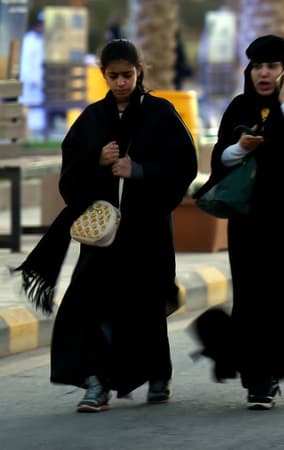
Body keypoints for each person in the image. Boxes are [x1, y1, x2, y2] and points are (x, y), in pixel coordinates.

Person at [13, 38, 198, 412]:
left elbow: (184, 166)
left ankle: (157, 372)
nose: (121, 83)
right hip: (103, 234)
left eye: (127, 75)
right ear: (104, 76)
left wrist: (139, 170)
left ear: (139, 71)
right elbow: (70, 176)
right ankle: (95, 383)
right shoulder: (93, 119)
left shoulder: (161, 113)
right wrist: (96, 160)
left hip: (147, 232)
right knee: (87, 305)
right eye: (113, 76)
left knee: (144, 306)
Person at [191, 35, 284, 410]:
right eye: (257, 66)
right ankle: (260, 380)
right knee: (253, 298)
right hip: (252, 222)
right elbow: (221, 159)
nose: (263, 73)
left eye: (272, 66)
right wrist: (242, 148)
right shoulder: (241, 107)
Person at [18, 11, 45, 138]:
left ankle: (33, 135)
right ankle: (27, 136)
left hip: (37, 83)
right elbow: (26, 63)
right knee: (28, 109)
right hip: (30, 82)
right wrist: (32, 79)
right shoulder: (29, 40)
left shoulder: (40, 40)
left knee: (37, 112)